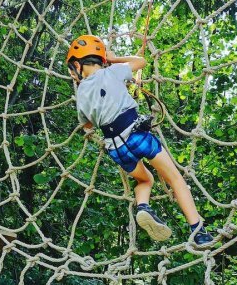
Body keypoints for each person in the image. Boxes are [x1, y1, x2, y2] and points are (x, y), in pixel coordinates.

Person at [66, 34, 212, 244]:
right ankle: (199, 232)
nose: (73, 75)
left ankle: (143, 206)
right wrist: (113, 59)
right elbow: (141, 62)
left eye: (72, 70)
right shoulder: (113, 71)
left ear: (79, 65)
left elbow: (87, 125)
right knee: (175, 178)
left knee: (145, 179)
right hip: (136, 135)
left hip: (115, 147)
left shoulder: (80, 93)